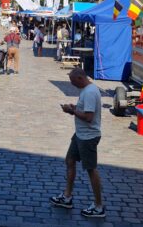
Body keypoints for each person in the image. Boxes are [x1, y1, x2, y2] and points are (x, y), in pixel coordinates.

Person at [50, 68, 105, 218]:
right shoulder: (88, 89)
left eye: (73, 82)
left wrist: (72, 111)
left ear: (81, 78)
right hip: (80, 134)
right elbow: (85, 110)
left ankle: (99, 206)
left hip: (88, 137)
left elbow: (89, 117)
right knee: (70, 160)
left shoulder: (89, 93)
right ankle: (67, 197)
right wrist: (75, 108)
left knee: (91, 169)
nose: (72, 85)